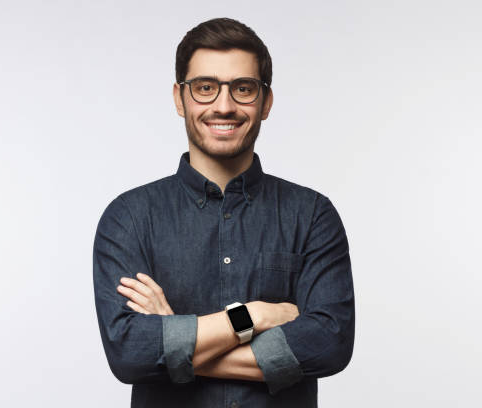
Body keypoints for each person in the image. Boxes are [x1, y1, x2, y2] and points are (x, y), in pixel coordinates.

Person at [93, 17, 355, 408]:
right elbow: (130, 353)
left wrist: (176, 339)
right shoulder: (128, 218)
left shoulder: (313, 215)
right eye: (205, 88)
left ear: (265, 102)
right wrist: (254, 316)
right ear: (179, 98)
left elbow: (329, 345)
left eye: (243, 88)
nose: (224, 106)